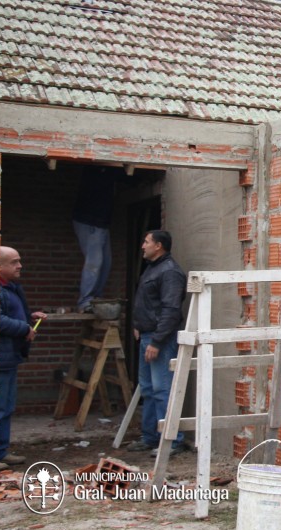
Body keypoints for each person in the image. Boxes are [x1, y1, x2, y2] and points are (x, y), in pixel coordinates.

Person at [128, 230, 187, 456]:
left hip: (159, 339)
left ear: (159, 246)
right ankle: (151, 437)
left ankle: (172, 440)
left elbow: (171, 310)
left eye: (146, 242)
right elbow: (148, 302)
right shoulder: (153, 268)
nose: (143, 246)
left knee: (163, 389)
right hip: (147, 336)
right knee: (149, 389)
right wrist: (138, 324)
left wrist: (157, 341)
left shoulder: (170, 272)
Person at [0, 247, 47, 472]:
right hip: (1, 357)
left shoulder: (11, 287)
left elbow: (11, 314)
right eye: (14, 262)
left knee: (6, 406)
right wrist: (23, 327)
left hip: (10, 356)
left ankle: (0, 451)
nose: (20, 266)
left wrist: (29, 317)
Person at [73, 165, 123, 313]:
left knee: (106, 263)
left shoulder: (108, 169)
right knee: (94, 262)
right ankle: (85, 301)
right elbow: (118, 174)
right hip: (89, 221)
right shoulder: (96, 167)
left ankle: (95, 298)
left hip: (101, 223)